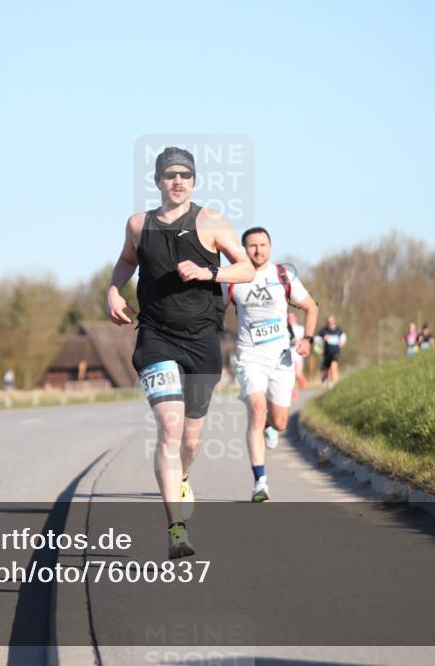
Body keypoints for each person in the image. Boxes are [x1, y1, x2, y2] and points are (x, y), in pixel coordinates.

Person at [107, 147, 255, 559]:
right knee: (169, 429)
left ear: (194, 180)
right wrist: (113, 290)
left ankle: (183, 475)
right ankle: (176, 528)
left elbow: (246, 268)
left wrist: (210, 272)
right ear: (157, 181)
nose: (178, 181)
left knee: (190, 438)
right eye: (170, 174)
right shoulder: (139, 224)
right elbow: (125, 261)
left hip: (203, 338)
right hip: (156, 335)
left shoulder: (210, 222)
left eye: (185, 175)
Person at [227, 227, 318, 502]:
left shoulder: (283, 276)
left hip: (281, 358)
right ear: (244, 250)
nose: (258, 250)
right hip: (248, 356)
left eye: (263, 244)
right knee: (257, 407)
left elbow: (311, 307)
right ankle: (260, 481)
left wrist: (308, 340)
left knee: (279, 423)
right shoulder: (232, 279)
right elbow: (211, 310)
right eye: (252, 245)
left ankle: (269, 425)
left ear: (271, 247)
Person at [317, 315, 346, 389]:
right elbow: (316, 341)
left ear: (334, 321)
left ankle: (335, 386)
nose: (330, 323)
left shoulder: (339, 330)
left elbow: (343, 338)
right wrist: (319, 350)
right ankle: (328, 382)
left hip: (335, 352)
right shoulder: (323, 331)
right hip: (326, 353)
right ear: (327, 322)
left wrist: (342, 342)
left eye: (332, 321)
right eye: (329, 321)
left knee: (333, 367)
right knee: (325, 371)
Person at [288, 311, 308, 397]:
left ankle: (305, 387)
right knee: (291, 373)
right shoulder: (285, 329)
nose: (290, 319)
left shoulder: (300, 328)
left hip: (298, 353)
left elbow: (305, 341)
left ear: (295, 318)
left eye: (292, 318)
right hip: (289, 353)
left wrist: (299, 342)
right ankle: (293, 393)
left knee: (298, 372)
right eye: (289, 318)